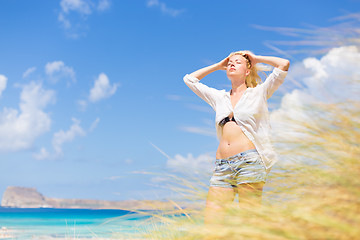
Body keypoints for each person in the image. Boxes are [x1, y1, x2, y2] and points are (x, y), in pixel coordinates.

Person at [183, 51, 290, 223]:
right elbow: (189, 79)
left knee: (249, 219)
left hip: (249, 162)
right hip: (222, 166)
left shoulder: (259, 93)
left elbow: (283, 64)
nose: (232, 64)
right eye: (230, 62)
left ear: (248, 71)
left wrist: (256, 59)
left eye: (238, 62)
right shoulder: (220, 97)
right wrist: (219, 65)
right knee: (212, 223)